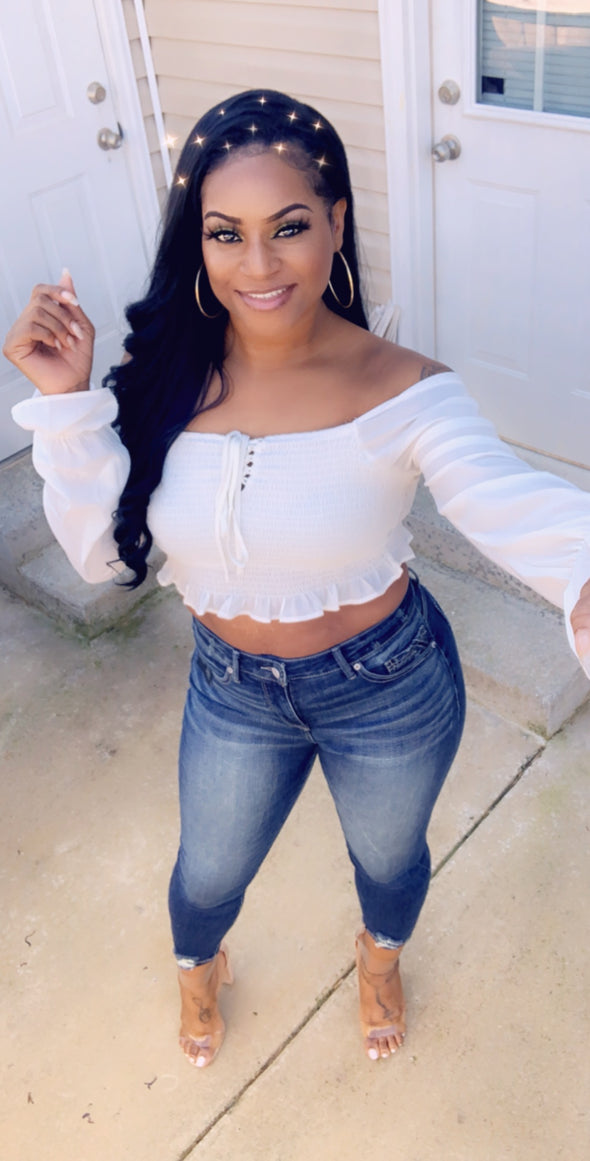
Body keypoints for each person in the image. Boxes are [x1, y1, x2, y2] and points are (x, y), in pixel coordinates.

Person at [4, 89, 590, 1071]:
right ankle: (199, 970)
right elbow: (104, 560)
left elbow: (506, 499)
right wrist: (66, 405)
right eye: (225, 234)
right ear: (197, 243)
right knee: (205, 875)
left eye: (287, 228)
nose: (258, 265)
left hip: (390, 685)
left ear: (336, 224)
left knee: (388, 861)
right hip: (231, 687)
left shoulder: (408, 390)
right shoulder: (159, 385)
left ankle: (378, 961)